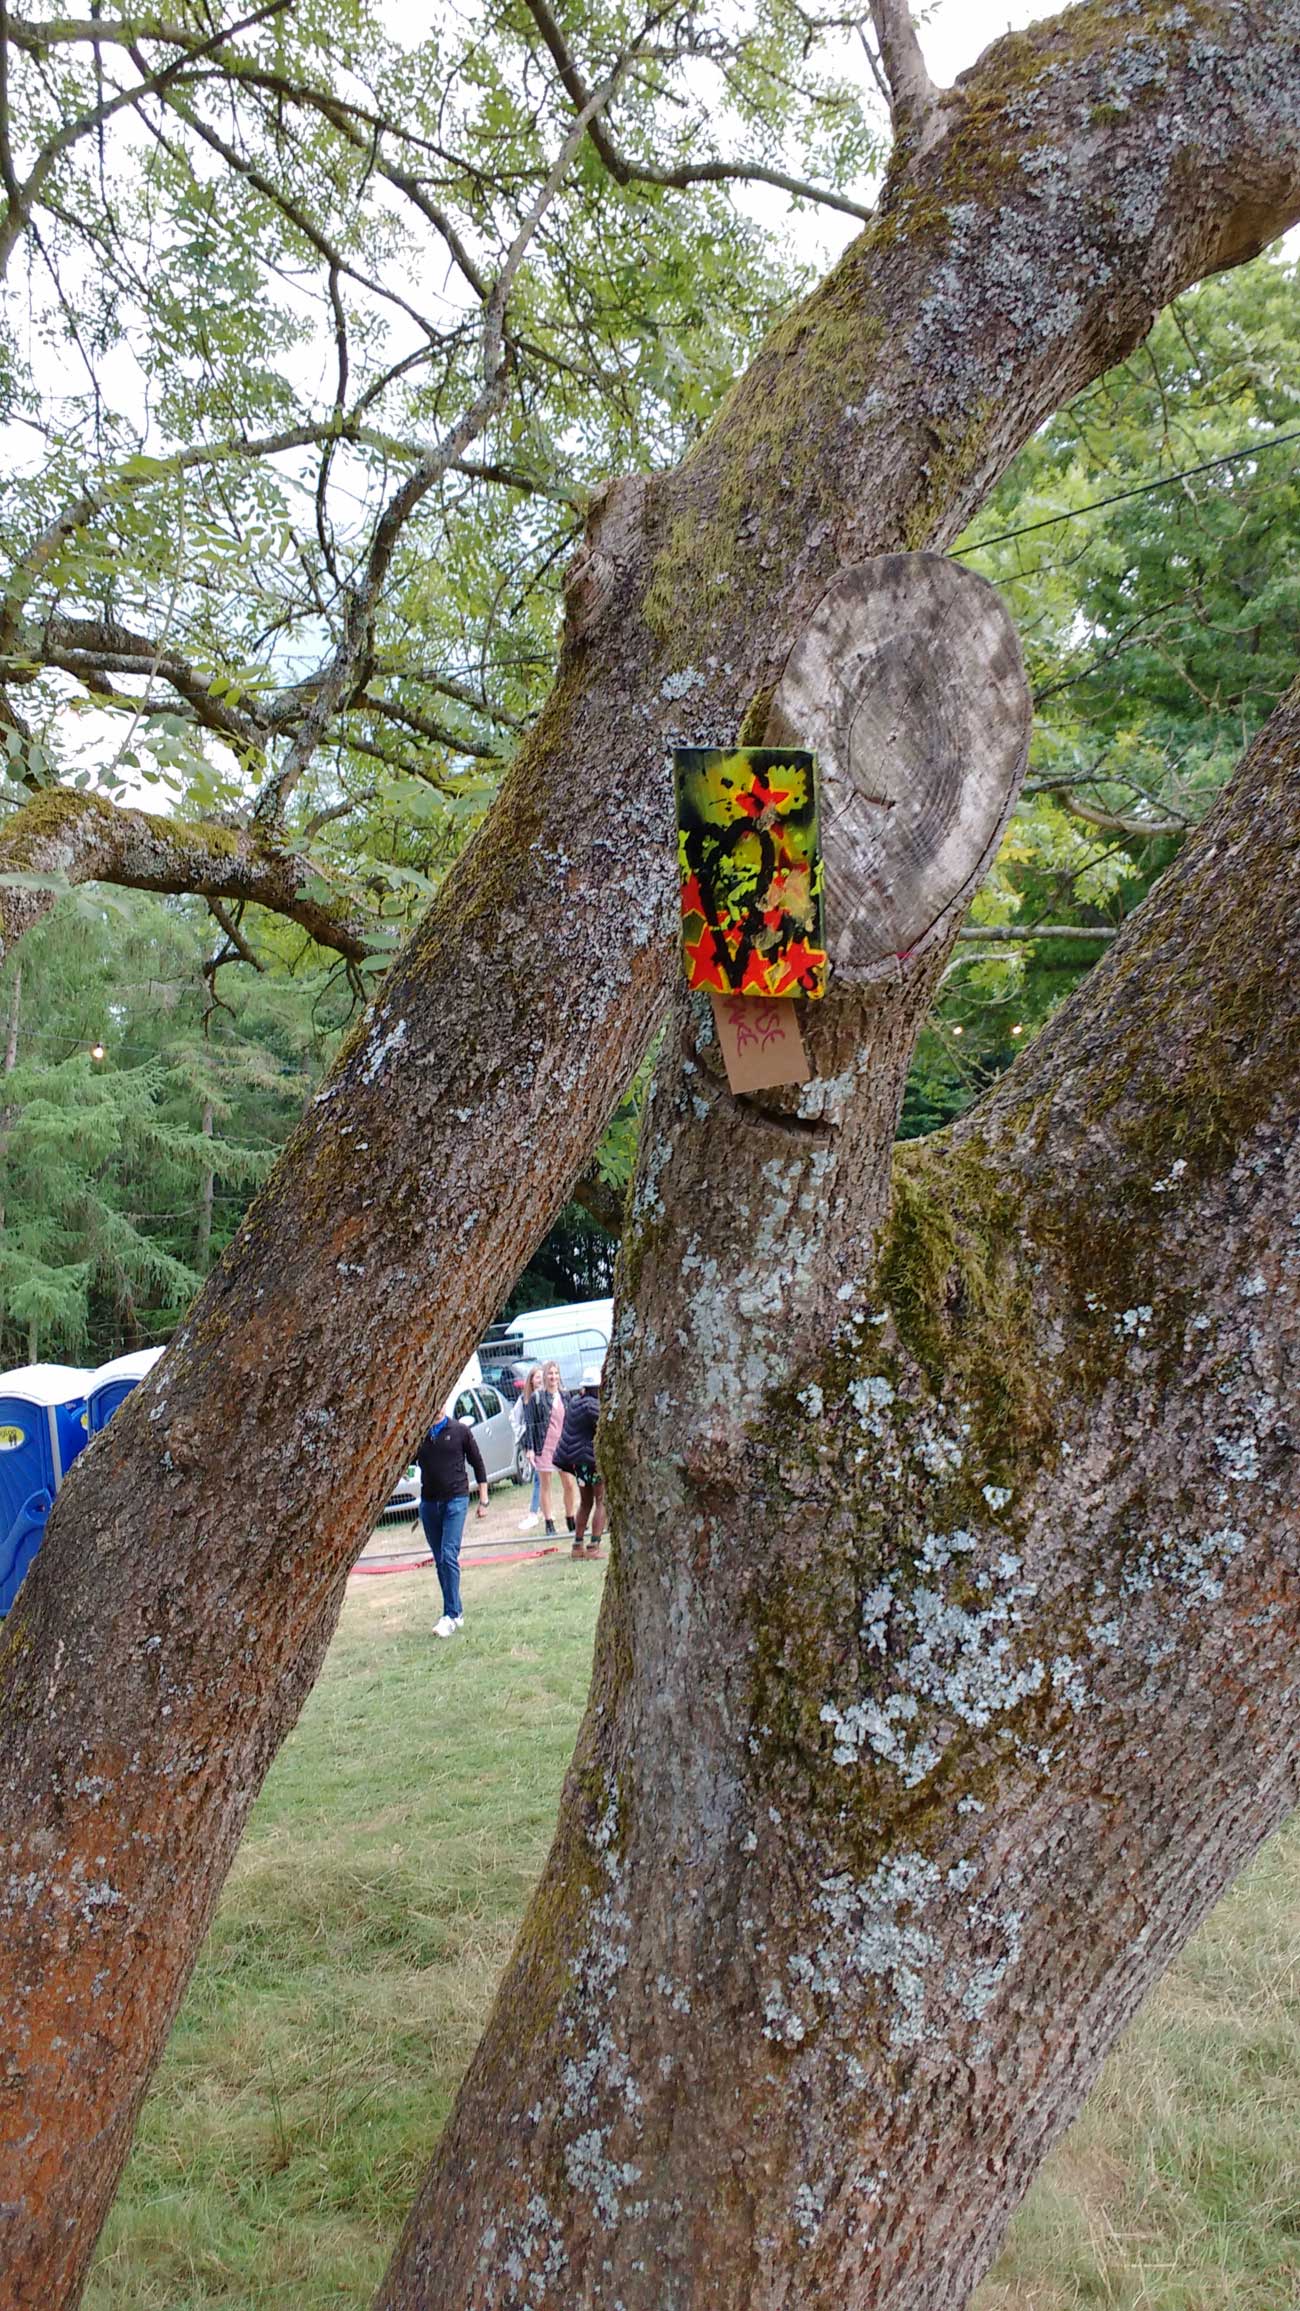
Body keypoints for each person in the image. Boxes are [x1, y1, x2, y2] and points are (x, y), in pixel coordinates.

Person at [415, 1400, 488, 1637]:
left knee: (448, 1554)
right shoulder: (419, 1436)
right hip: (429, 1503)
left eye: (441, 1403)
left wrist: (483, 1499)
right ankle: (456, 1611)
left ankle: (451, 1614)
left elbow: (477, 1463)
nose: (437, 1408)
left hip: (456, 1499)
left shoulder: (459, 1431)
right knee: (440, 1560)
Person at [554, 1365, 606, 1559]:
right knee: (601, 1500)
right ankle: (594, 1547)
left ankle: (577, 1546)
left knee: (585, 1502)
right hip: (592, 1461)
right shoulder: (593, 1406)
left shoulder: (576, 1402)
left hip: (578, 1464)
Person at [530, 1359, 577, 1537]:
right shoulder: (537, 1398)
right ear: (545, 1376)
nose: (553, 1377)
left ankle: (571, 1519)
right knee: (546, 1485)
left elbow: (571, 1420)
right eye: (550, 1373)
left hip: (564, 1445)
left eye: (556, 1373)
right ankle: (549, 1523)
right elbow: (531, 1424)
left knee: (569, 1484)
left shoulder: (565, 1396)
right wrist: (530, 1448)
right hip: (544, 1446)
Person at [516, 1363, 545, 1532]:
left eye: (542, 1377)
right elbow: (528, 1425)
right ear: (531, 1380)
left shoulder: (547, 1396)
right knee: (539, 1479)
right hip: (536, 1446)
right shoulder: (526, 1400)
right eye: (537, 1377)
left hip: (549, 1443)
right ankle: (533, 1513)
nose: (540, 1380)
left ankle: (544, 1510)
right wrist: (529, 1447)